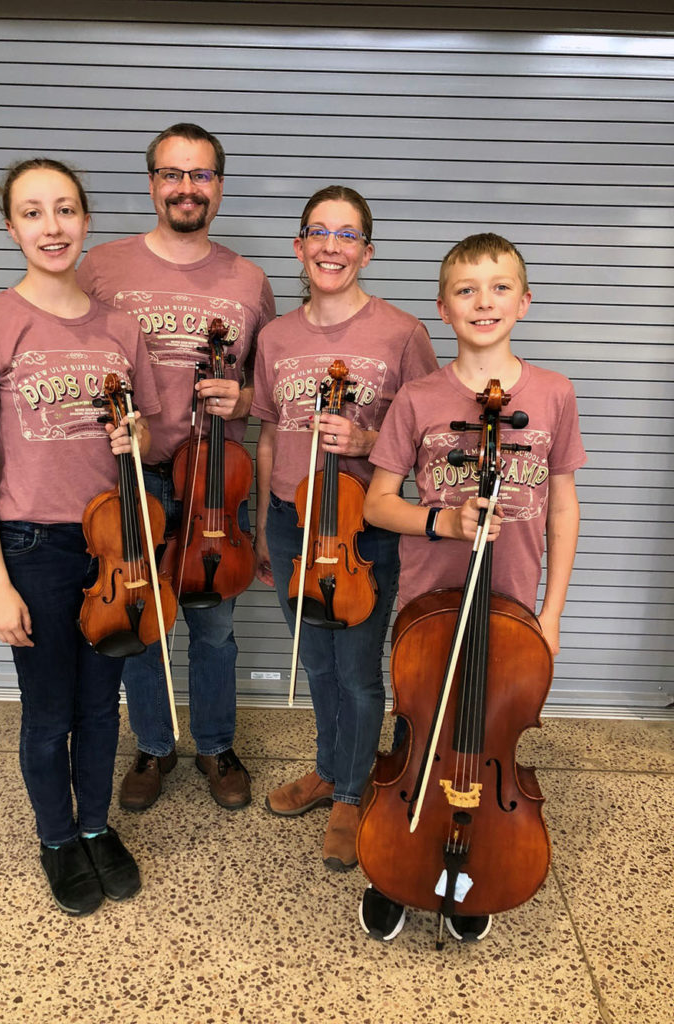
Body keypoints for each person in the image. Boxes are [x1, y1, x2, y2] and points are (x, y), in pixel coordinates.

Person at [0, 158, 162, 916]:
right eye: (33, 213)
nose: (52, 226)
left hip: (115, 549)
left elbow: (145, 436)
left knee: (104, 706)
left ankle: (97, 827)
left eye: (64, 210)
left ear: (86, 219)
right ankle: (57, 840)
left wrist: (135, 435)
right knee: (49, 713)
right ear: (11, 228)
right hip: (33, 547)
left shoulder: (121, 328)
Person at [361, 231, 586, 942]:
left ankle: (477, 865)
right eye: (465, 290)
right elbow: (377, 504)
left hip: (515, 609)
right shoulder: (419, 398)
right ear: (442, 307)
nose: (482, 302)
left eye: (497, 289)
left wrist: (551, 611)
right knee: (417, 735)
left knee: (491, 735)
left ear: (524, 300)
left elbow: (564, 503)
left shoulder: (552, 394)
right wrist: (445, 523)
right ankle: (393, 867)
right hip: (429, 614)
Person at [76, 124, 276, 812]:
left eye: (201, 175)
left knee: (215, 628)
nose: (186, 187)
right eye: (172, 174)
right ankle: (156, 747)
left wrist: (243, 396)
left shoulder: (250, 280)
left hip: (217, 483)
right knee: (141, 618)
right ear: (152, 183)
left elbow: (267, 385)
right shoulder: (100, 268)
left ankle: (216, 745)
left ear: (219, 185)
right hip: (133, 477)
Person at [251, 185, 438, 871]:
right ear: (300, 246)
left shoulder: (403, 333)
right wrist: (261, 520)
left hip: (362, 530)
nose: (333, 244)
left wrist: (366, 444)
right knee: (316, 659)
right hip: (289, 521)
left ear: (367, 249)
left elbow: (432, 437)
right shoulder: (275, 336)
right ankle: (330, 769)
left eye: (348, 233)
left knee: (358, 671)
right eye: (319, 231)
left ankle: (353, 792)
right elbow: (269, 431)